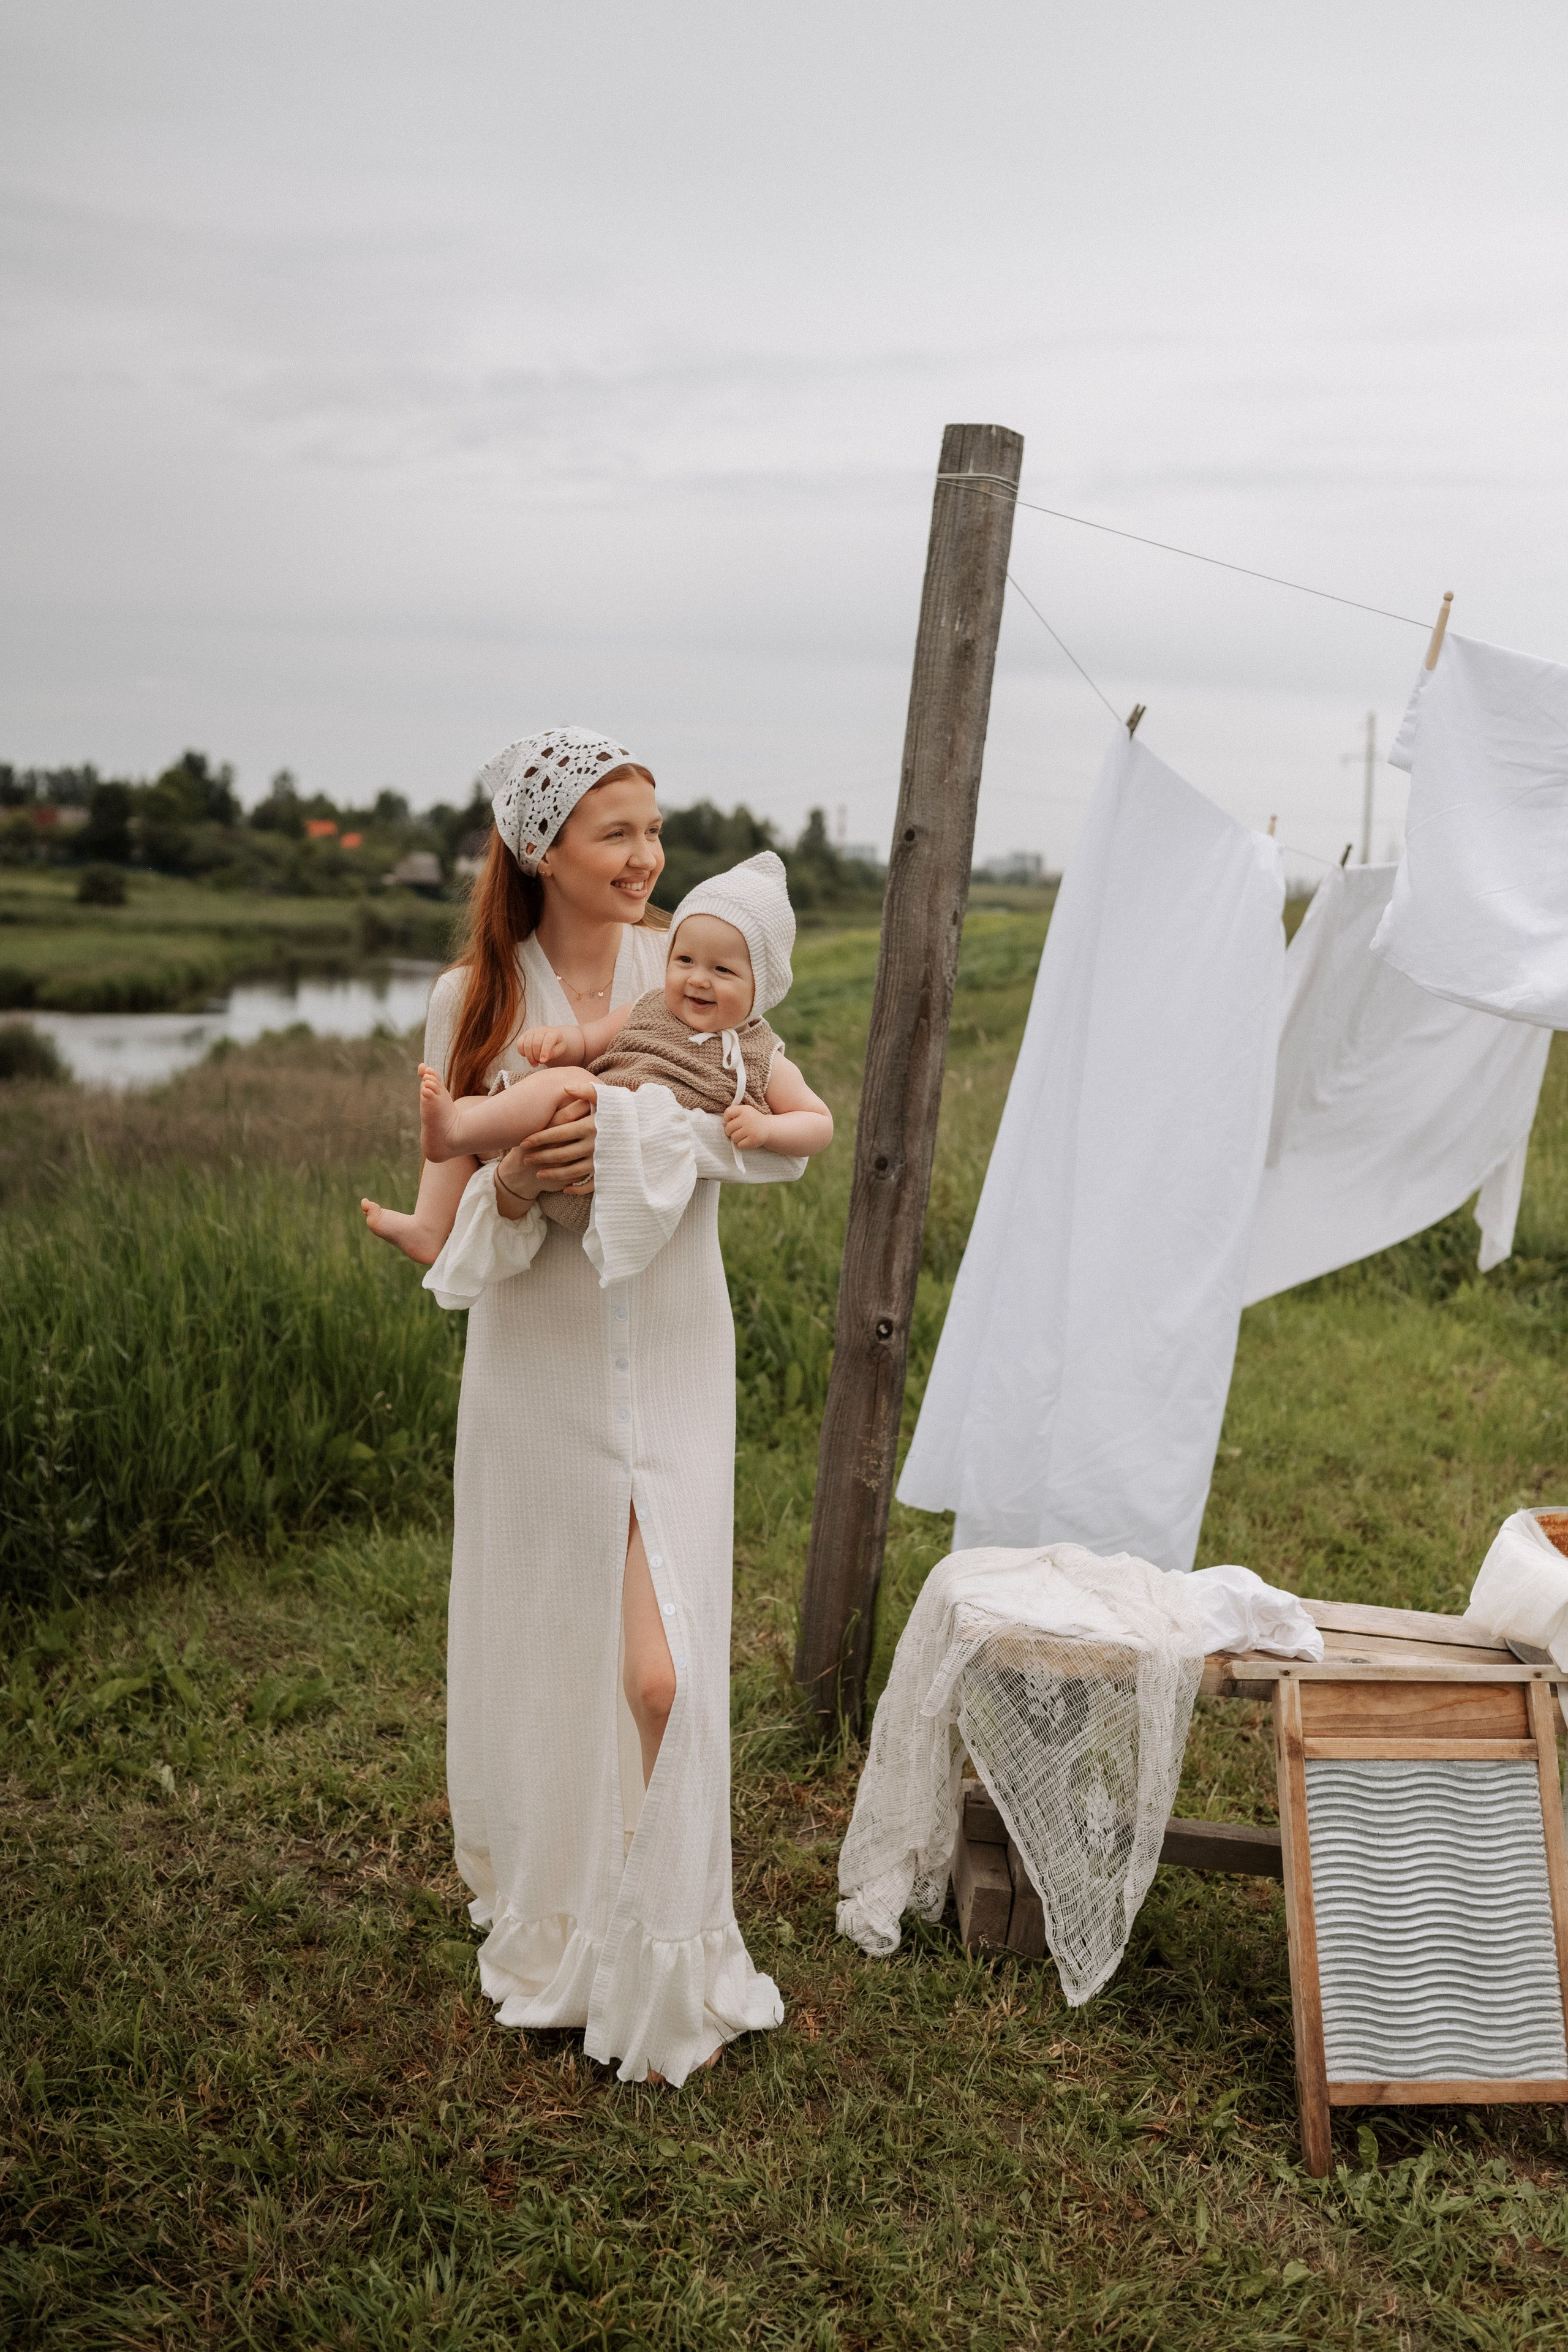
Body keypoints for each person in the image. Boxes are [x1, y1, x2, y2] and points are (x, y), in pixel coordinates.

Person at [368, 728, 807, 2087]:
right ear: (539, 847)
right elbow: (447, 1237)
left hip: (674, 1353)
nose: (647, 861)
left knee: (663, 1669)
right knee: (554, 1647)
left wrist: (614, 1138)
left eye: (655, 834)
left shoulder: (691, 971)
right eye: (619, 834)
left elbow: (761, 1133)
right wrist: (506, 1183)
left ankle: (672, 1931)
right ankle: (566, 1927)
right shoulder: (468, 1003)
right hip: (539, 1364)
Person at [379, 851, 832, 1264]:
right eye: (686, 959)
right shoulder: (649, 1006)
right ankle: (430, 1226)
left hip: (624, 1183)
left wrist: (768, 1127)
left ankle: (456, 1133)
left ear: (763, 988)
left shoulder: (757, 1055)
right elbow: (588, 1040)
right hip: (561, 1160)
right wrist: (560, 1040)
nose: (698, 979)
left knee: (564, 1082)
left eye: (723, 970)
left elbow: (818, 1122)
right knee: (473, 1108)